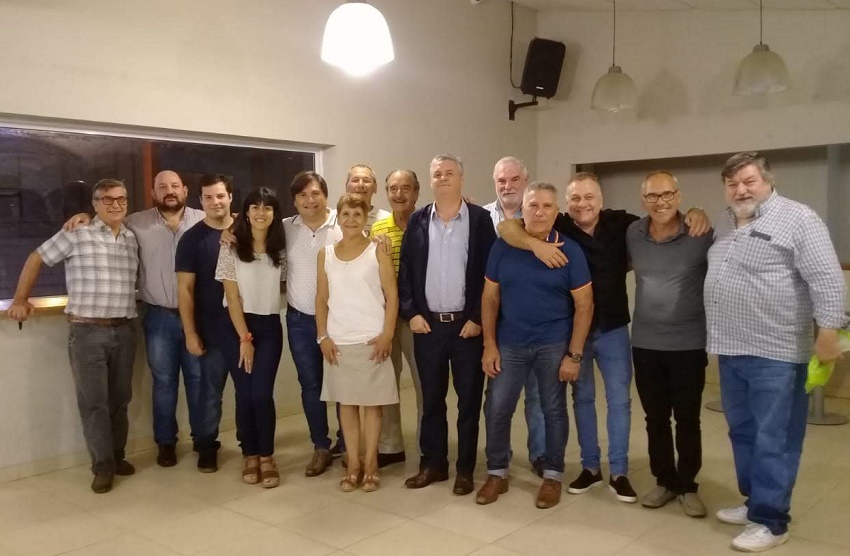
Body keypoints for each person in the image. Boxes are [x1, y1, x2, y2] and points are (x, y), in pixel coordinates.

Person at [498, 172, 710, 504]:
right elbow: (507, 227)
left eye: (590, 197)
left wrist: (696, 209)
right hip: (575, 333)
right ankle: (590, 468)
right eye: (576, 199)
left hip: (613, 329)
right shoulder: (561, 226)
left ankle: (620, 472)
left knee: (620, 402)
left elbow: (663, 217)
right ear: (567, 204)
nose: (583, 204)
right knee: (581, 400)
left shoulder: (624, 225)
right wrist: (536, 244)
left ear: (601, 200)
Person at [706, 152, 846, 552]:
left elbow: (826, 278)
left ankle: (772, 520)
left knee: (776, 438)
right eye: (733, 184)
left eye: (748, 181)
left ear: (767, 180)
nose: (741, 190)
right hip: (731, 349)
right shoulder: (725, 220)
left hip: (778, 352)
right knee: (744, 432)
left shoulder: (798, 218)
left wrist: (828, 331)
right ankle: (755, 503)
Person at [64, 170, 205, 467]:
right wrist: (84, 216)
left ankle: (204, 442)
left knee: (198, 380)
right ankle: (166, 444)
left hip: (197, 317)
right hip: (158, 317)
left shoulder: (204, 220)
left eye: (175, 186)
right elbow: (106, 220)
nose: (169, 191)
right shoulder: (136, 222)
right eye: (162, 186)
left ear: (185, 190)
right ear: (153, 192)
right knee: (164, 383)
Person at [8, 179, 139, 493]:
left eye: (121, 199)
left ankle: (117, 456)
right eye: (107, 199)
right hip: (87, 331)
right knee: (94, 403)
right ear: (94, 205)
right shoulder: (76, 233)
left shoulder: (132, 238)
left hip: (125, 329)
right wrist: (20, 299)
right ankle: (102, 466)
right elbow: (36, 257)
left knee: (120, 401)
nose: (115, 204)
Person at [477, 182, 593, 509]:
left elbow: (585, 305)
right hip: (509, 343)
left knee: (552, 409)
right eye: (532, 206)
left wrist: (574, 354)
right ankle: (497, 471)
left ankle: (553, 475)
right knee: (498, 407)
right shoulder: (503, 247)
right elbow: (490, 297)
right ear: (522, 210)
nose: (539, 212)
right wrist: (489, 344)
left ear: (557, 212)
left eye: (546, 206)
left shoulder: (570, 251)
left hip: (553, 344)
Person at [399, 154, 496, 496]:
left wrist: (476, 319)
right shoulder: (418, 220)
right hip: (428, 328)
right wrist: (411, 313)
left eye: (449, 173)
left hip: (466, 328)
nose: (443, 178)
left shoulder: (481, 220)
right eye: (437, 174)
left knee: (468, 403)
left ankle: (465, 469)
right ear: (430, 180)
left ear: (462, 178)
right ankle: (434, 464)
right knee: (431, 402)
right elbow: (406, 271)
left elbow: (489, 273)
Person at [626, 171, 712, 517]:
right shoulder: (633, 233)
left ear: (678, 196)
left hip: (689, 344)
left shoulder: (700, 232)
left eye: (667, 195)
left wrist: (700, 208)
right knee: (655, 418)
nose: (660, 202)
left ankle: (688, 485)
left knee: (688, 418)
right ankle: (663, 480)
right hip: (645, 343)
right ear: (643, 200)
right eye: (652, 196)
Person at [316, 194, 399, 492]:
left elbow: (392, 296)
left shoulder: (377, 251)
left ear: (366, 218)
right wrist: (322, 336)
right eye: (346, 214)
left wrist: (387, 334)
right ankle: (353, 463)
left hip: (372, 340)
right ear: (338, 216)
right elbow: (322, 299)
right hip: (339, 342)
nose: (351, 219)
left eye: (357, 214)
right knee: (347, 405)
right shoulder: (325, 253)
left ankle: (372, 464)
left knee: (372, 406)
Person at [215, 187, 286, 489]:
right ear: (244, 212)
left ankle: (267, 455)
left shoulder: (280, 249)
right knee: (245, 393)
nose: (261, 213)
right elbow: (232, 297)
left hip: (269, 326)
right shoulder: (230, 246)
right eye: (254, 207)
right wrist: (244, 337)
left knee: (262, 393)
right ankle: (250, 455)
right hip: (236, 326)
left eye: (267, 208)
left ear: (274, 213)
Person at [482, 156, 546, 477]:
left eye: (514, 180)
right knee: (497, 398)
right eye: (501, 181)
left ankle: (541, 455)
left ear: (526, 179)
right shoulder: (481, 217)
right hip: (495, 320)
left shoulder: (541, 215)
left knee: (537, 395)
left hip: (535, 320)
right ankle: (499, 458)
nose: (507, 186)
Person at [283, 171, 344, 476]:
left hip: (341, 320)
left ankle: (347, 443)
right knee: (311, 384)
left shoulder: (341, 224)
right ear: (294, 201)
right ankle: (321, 445)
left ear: (326, 195)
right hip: (300, 320)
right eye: (303, 195)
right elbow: (248, 234)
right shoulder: (284, 229)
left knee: (342, 384)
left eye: (316, 193)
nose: (310, 200)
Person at [175, 174, 234, 473]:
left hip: (248, 329)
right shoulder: (192, 239)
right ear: (201, 201)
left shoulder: (247, 231)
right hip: (211, 329)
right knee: (210, 392)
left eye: (220, 196)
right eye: (209, 197)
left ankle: (254, 446)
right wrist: (190, 332)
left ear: (230, 198)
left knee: (253, 392)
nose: (215, 202)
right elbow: (184, 290)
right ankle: (207, 446)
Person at [370, 169, 422, 468]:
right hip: (385, 318)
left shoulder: (426, 224)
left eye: (406, 188)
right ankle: (390, 446)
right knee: (386, 383)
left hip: (418, 319)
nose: (399, 194)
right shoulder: (378, 228)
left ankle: (427, 444)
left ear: (416, 192)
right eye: (393, 188)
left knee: (424, 385)